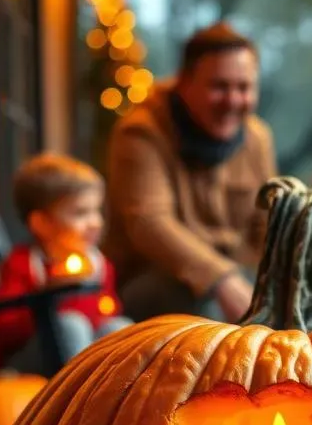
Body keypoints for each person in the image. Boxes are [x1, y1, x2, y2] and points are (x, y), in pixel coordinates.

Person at [104, 22, 277, 323]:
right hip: (153, 285)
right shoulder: (141, 133)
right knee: (206, 308)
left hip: (238, 281)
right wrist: (221, 279)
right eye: (219, 87)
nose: (233, 101)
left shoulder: (257, 138)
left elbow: (267, 226)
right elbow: (149, 224)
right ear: (184, 83)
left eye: (244, 87)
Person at [0, 153, 131, 375]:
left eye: (97, 211)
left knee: (119, 328)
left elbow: (108, 310)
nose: (95, 222)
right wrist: (46, 300)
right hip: (26, 367)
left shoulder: (99, 265)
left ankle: (113, 398)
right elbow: (2, 329)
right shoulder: (24, 264)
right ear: (41, 223)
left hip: (81, 357)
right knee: (70, 326)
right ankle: (77, 402)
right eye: (81, 213)